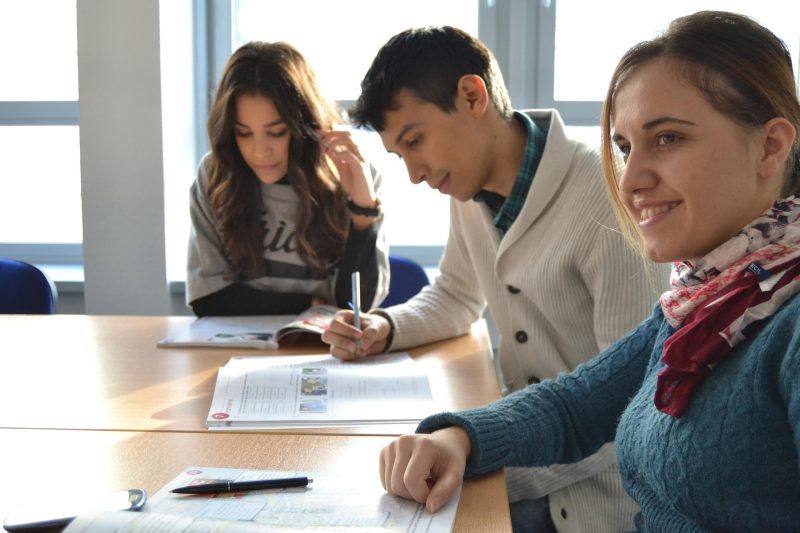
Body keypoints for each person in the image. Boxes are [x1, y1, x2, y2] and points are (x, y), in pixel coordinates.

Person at [377, 11, 800, 532]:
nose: (630, 181)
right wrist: (458, 437)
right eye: (624, 148)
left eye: (668, 138)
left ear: (772, 146)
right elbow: (576, 405)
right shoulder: (708, 298)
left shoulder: (783, 322)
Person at [322, 26, 669, 532]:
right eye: (399, 155)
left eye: (415, 141)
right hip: (521, 453)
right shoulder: (468, 191)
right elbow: (456, 297)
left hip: (598, 502)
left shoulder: (605, 197)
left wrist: (481, 466)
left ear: (472, 95)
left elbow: (626, 409)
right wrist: (385, 328)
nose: (414, 174)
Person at [186, 41, 390, 316]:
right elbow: (208, 298)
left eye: (277, 132)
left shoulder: (350, 175)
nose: (260, 151)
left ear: (304, 127)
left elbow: (356, 308)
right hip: (236, 350)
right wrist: (309, 305)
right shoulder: (216, 175)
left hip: (324, 351)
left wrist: (363, 211)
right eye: (243, 133)